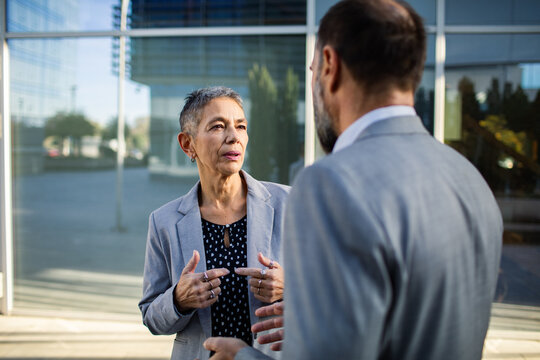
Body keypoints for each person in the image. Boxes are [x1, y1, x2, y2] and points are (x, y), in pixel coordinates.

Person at [204, 1, 503, 359]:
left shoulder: (330, 184)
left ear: (330, 65)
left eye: (313, 69)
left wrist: (242, 357)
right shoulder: (470, 180)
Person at [138, 86, 289, 360]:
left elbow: (334, 292)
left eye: (241, 126)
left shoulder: (290, 204)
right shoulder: (164, 222)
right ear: (188, 144)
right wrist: (177, 300)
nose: (234, 137)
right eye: (218, 126)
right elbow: (151, 317)